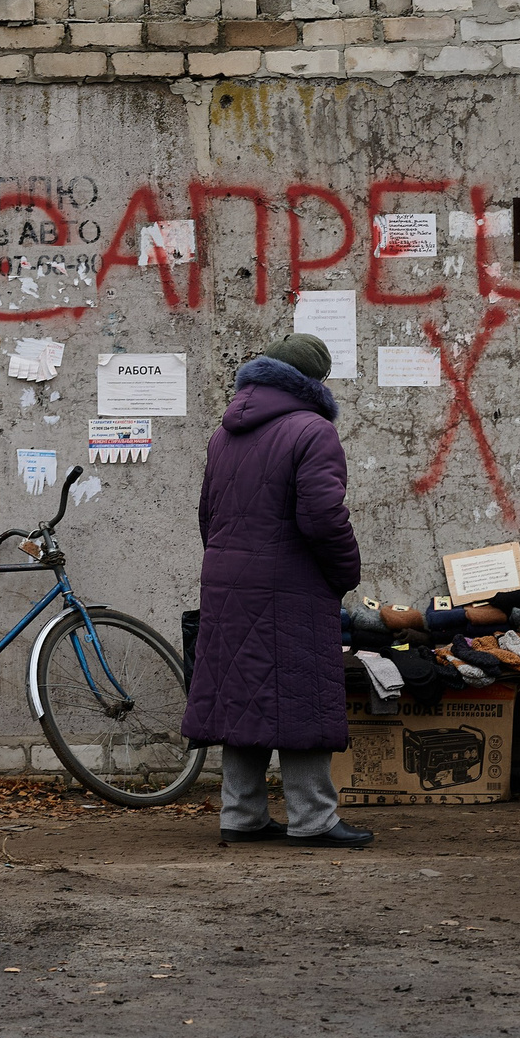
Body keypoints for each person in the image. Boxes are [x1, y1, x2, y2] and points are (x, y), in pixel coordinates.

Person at [182, 332, 372, 849]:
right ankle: (314, 817)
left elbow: (208, 515)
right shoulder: (312, 431)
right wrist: (344, 572)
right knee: (302, 694)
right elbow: (323, 517)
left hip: (227, 580)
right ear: (315, 382)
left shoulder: (224, 434)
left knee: (243, 695)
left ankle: (240, 814)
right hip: (291, 582)